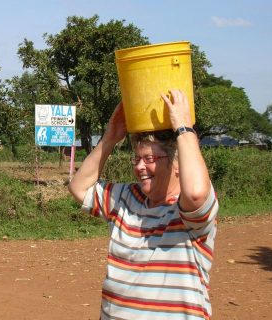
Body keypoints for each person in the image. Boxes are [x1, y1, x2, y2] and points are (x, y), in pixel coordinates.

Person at [68, 89, 218, 320]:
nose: (139, 167)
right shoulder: (126, 198)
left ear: (177, 164)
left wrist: (184, 129)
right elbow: (79, 187)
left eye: (150, 159)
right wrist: (110, 137)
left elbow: (197, 193)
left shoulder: (188, 213)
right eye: (137, 159)